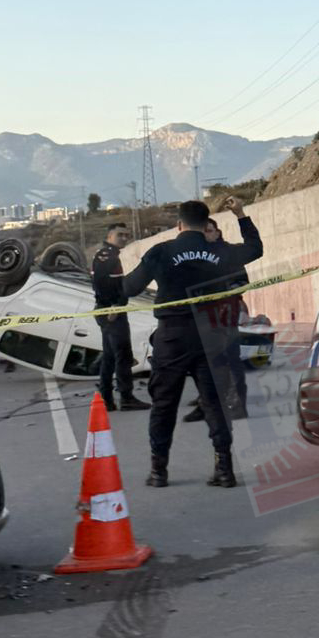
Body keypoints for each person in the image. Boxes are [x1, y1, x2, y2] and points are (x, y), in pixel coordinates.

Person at [118, 198, 262, 489]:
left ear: (179, 224)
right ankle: (224, 468)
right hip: (212, 334)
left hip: (172, 336)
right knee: (214, 404)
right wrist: (240, 214)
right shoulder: (220, 250)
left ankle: (159, 470)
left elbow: (130, 287)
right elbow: (255, 249)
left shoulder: (162, 251)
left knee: (164, 404)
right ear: (205, 222)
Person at [183, 214, 252, 424]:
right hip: (203, 316)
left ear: (218, 233)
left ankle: (237, 405)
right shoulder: (195, 257)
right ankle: (206, 402)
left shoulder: (229, 253)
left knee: (230, 359)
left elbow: (241, 282)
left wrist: (223, 293)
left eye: (210, 230)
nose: (206, 235)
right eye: (202, 231)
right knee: (205, 361)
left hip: (225, 313)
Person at [90, 223, 148, 412]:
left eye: (126, 235)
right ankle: (126, 397)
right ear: (109, 236)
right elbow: (100, 283)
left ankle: (107, 398)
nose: (124, 238)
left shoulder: (113, 255)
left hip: (110, 310)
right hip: (111, 311)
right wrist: (113, 306)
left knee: (110, 356)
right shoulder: (106, 255)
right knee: (123, 356)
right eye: (120, 235)